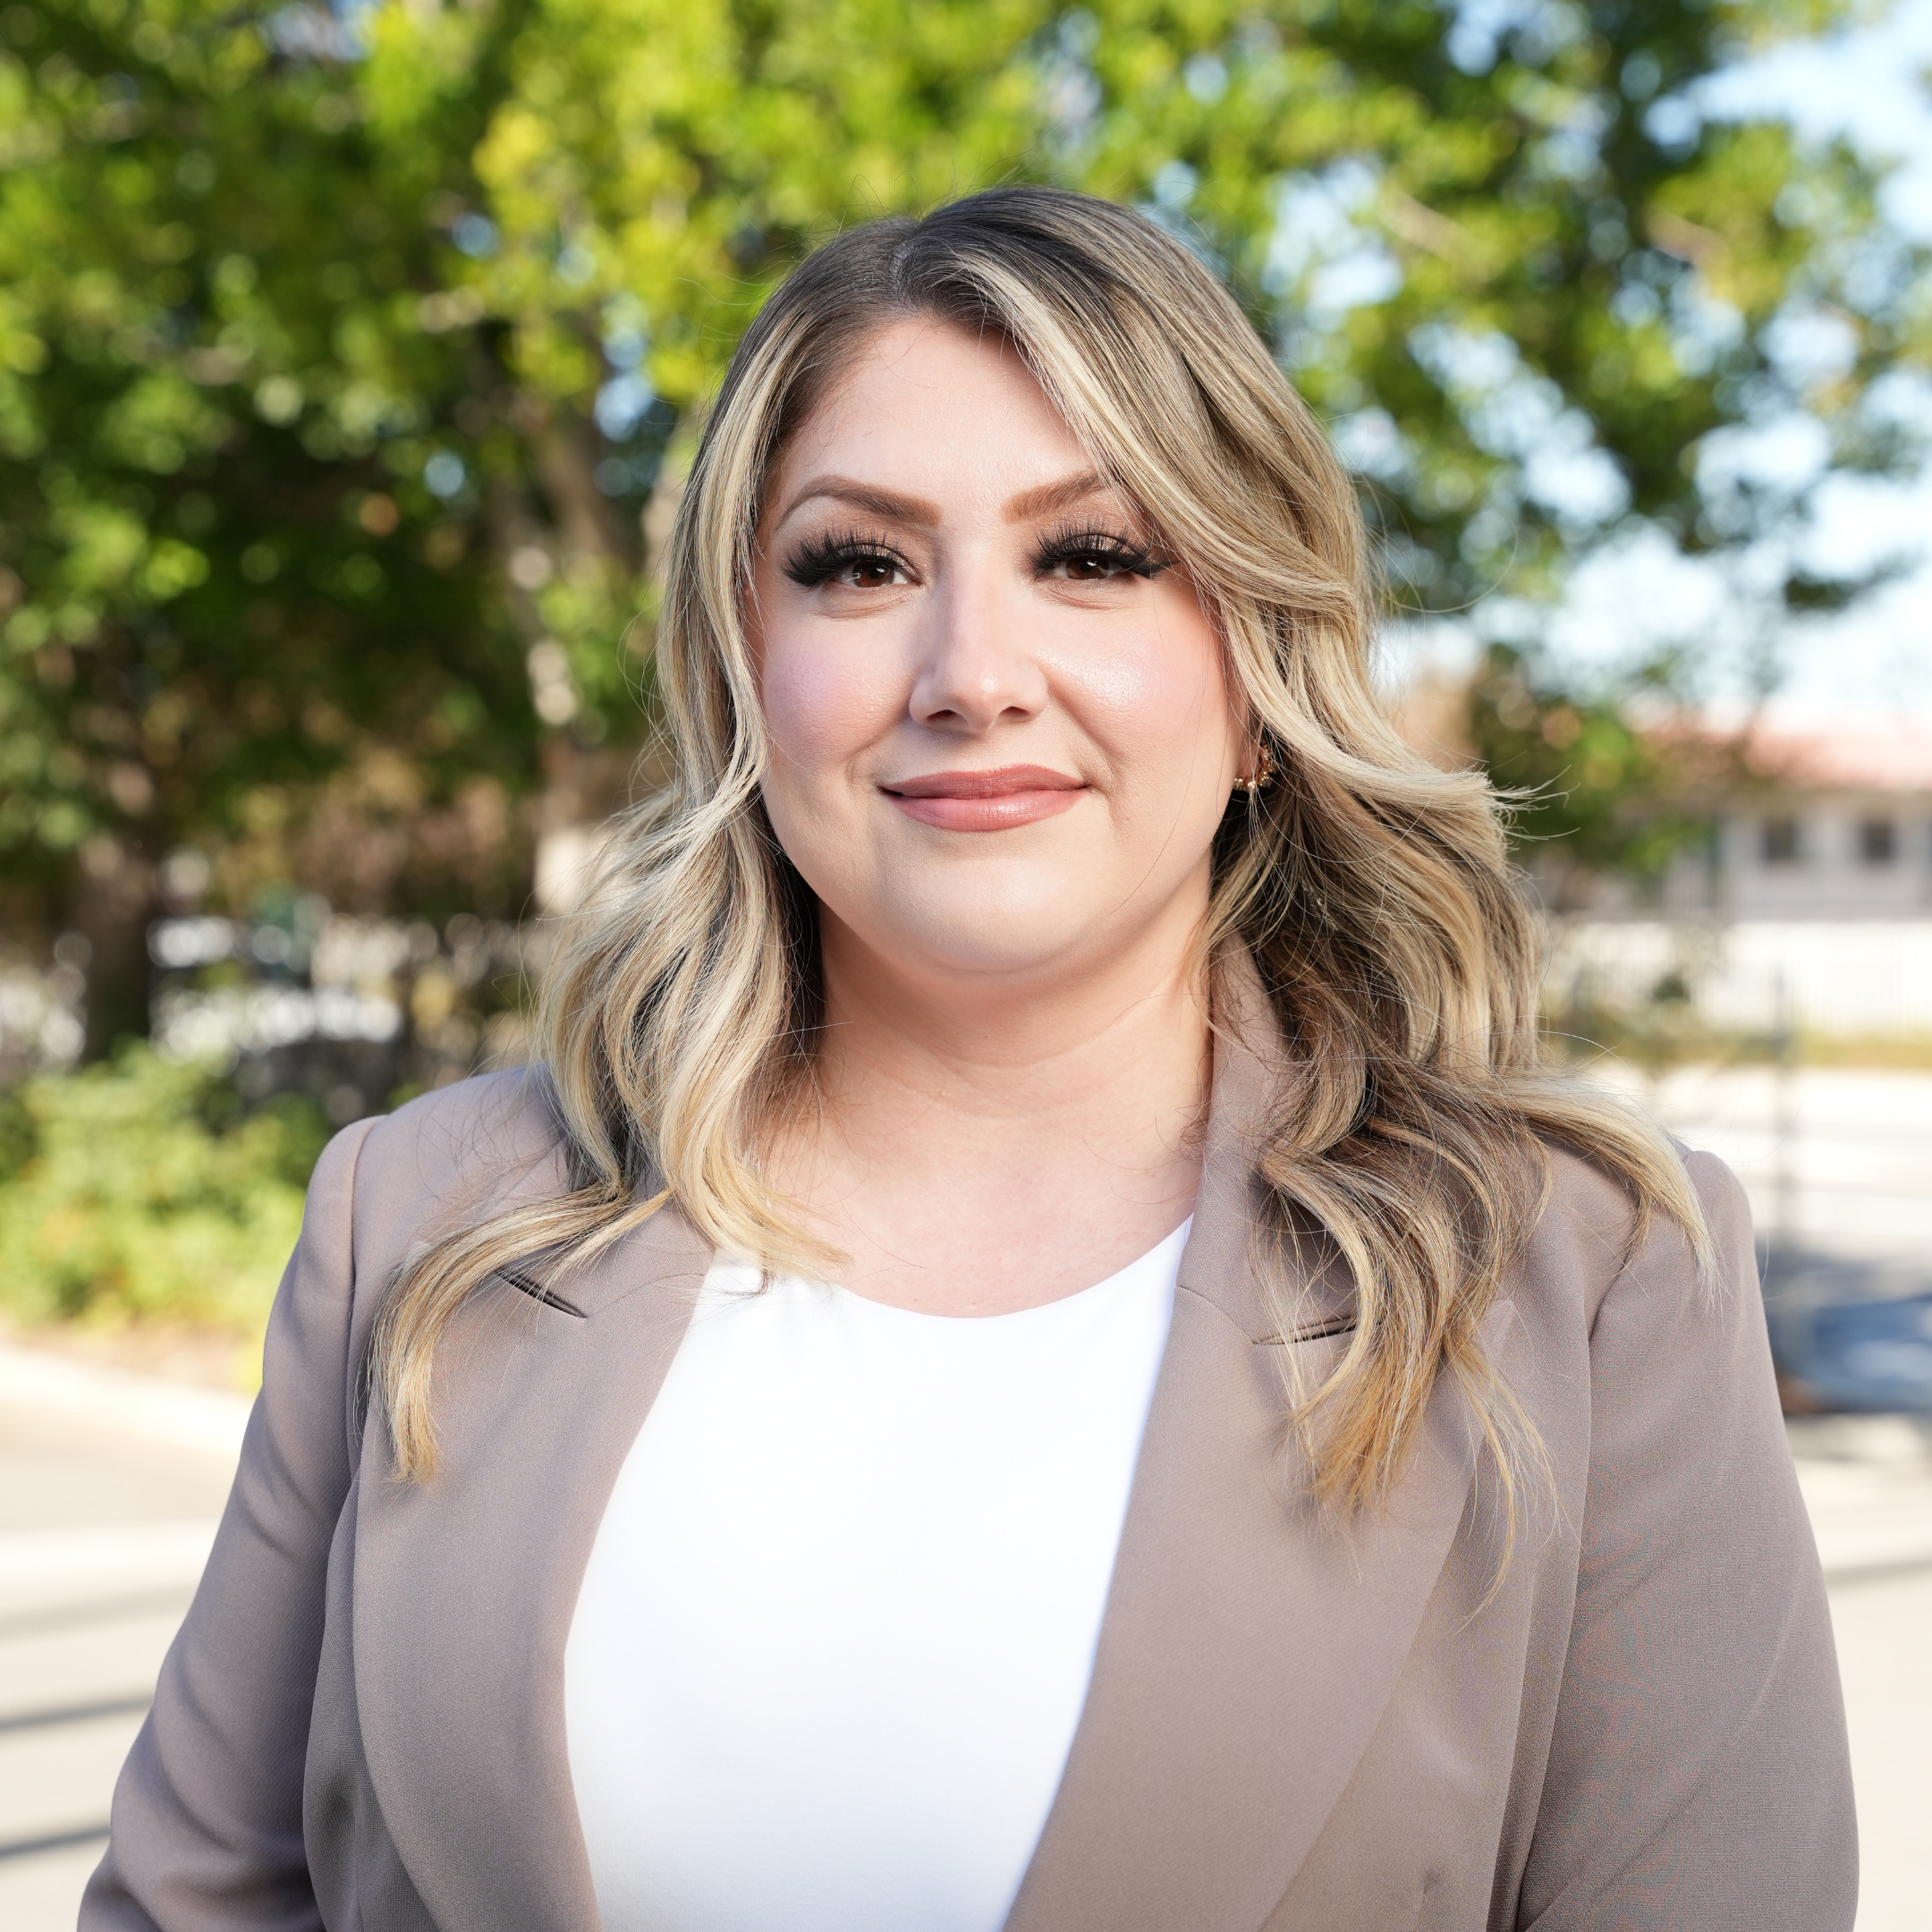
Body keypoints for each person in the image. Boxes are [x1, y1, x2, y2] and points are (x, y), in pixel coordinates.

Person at [83, 187, 1853, 1932]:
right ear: (743, 672)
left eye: (1093, 556)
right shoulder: (419, 1219)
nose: (970, 670)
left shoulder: (1594, 1283)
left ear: (1255, 680)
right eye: (859, 565)